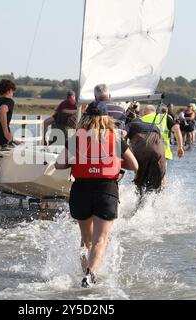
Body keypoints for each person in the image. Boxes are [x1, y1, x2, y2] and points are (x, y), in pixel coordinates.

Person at [55, 102, 138, 288]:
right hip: (106, 189)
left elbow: (59, 164)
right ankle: (90, 274)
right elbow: (135, 165)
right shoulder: (115, 138)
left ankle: (84, 273)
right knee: (100, 240)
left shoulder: (77, 137)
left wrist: (77, 161)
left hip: (81, 189)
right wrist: (115, 162)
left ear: (85, 117)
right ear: (106, 117)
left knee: (86, 239)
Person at [125, 105, 166, 194]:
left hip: (141, 153)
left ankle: (139, 205)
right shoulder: (155, 126)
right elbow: (160, 142)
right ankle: (155, 204)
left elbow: (121, 137)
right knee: (155, 185)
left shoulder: (131, 125)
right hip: (158, 152)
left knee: (140, 182)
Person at [0, 79, 21, 147]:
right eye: (13, 92)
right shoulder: (9, 101)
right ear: (9, 90)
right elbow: (2, 110)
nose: (13, 94)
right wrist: (6, 133)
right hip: (1, 138)